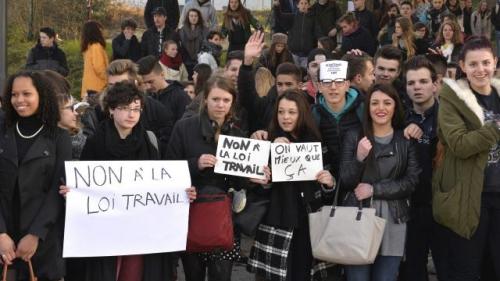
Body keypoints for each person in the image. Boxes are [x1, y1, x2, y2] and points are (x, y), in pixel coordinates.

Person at [67, 81, 195, 281]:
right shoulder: (96, 142)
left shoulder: (149, 141)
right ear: (111, 109)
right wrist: (74, 192)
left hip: (140, 234)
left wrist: (181, 192)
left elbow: (160, 185)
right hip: (105, 234)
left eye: (136, 109)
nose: (131, 114)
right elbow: (85, 185)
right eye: (125, 108)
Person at [247, 90, 335, 281]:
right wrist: (272, 151)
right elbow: (256, 189)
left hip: (308, 223)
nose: (285, 117)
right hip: (277, 223)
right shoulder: (265, 141)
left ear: (302, 113)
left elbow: (327, 193)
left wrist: (329, 183)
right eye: (281, 112)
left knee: (304, 274)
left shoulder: (316, 143)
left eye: (292, 112)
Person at [166, 75, 248, 281]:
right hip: (191, 212)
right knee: (193, 275)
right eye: (216, 99)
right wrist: (196, 163)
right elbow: (169, 169)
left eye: (226, 100)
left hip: (224, 217)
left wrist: (255, 175)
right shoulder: (184, 128)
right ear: (205, 100)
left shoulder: (237, 135)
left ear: (232, 102)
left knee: (222, 276)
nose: (221, 105)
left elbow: (242, 183)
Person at [432, 36, 500, 281]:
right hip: (469, 196)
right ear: (462, 66)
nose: (480, 69)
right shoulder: (452, 99)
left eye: (485, 63)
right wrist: (496, 127)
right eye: (473, 64)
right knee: (467, 269)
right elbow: (459, 144)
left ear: (495, 62)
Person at [340, 83, 420, 281]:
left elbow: (411, 182)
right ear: (367, 107)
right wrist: (359, 158)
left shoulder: (405, 139)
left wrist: (374, 189)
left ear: (395, 107)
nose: (380, 108)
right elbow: (345, 180)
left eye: (387, 102)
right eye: (374, 103)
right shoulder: (354, 136)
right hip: (357, 218)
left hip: (393, 220)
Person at [0, 70, 72, 280]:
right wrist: (1, 233)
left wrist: (35, 235)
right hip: (4, 238)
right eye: (14, 94)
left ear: (41, 95)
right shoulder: (2, 131)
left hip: (43, 242)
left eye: (26, 94)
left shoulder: (60, 138)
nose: (19, 100)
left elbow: (57, 191)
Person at [399, 55, 446, 281]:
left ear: (435, 84)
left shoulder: (450, 118)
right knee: (414, 270)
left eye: (423, 81)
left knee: (448, 269)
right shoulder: (398, 119)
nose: (417, 87)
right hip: (411, 208)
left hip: (442, 207)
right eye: (411, 83)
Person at [239, 31, 306, 134]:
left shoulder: (308, 107)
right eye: (279, 84)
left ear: (299, 85)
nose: (283, 89)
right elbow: (247, 97)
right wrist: (247, 63)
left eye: (288, 84)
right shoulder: (267, 103)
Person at [138, 55, 190, 124]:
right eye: (144, 83)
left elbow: (184, 128)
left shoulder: (180, 97)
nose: (147, 86)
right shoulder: (145, 96)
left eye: (150, 82)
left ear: (162, 74)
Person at [274, 0, 318, 69]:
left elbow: (317, 33)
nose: (303, 5)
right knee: (294, 74)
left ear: (309, 5)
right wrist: (277, 6)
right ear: (298, 5)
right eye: (301, 3)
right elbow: (279, 16)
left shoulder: (313, 19)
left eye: (306, 3)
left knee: (304, 75)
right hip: (293, 54)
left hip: (307, 55)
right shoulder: (292, 17)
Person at [80, 20, 109, 99]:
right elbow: (99, 68)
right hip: (97, 89)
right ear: (95, 31)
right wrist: (109, 79)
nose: (102, 32)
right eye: (100, 29)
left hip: (89, 88)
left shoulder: (88, 47)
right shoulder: (96, 46)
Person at [179, 8, 209, 77]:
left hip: (200, 60)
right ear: (188, 17)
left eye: (195, 16)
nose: (193, 18)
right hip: (185, 60)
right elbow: (181, 46)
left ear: (199, 17)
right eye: (191, 16)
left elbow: (206, 45)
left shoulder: (205, 30)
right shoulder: (182, 30)